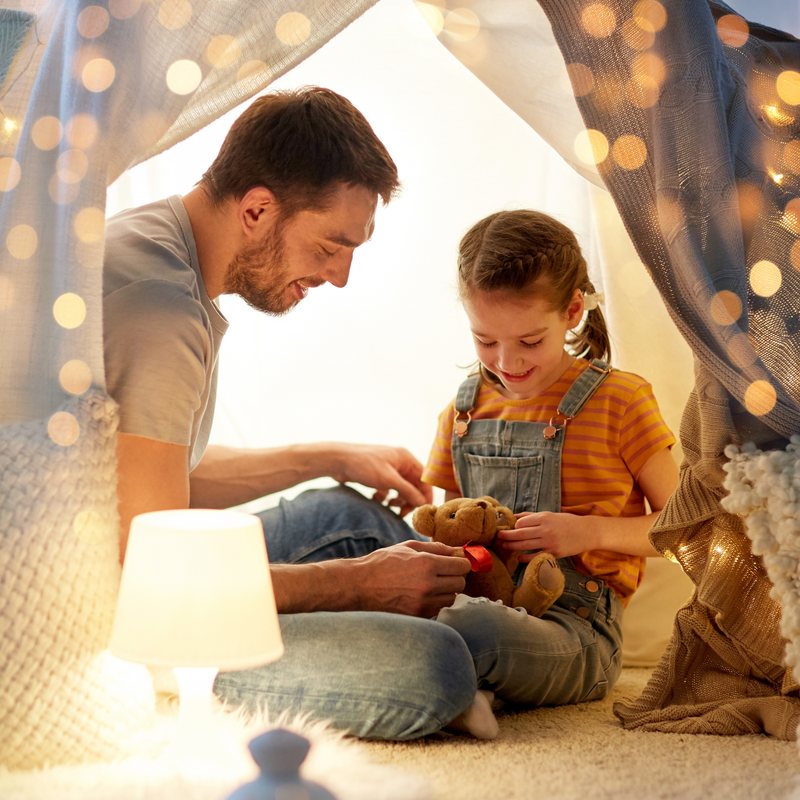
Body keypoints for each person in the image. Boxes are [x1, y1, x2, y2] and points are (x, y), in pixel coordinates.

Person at [103, 86, 477, 739]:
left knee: (346, 513)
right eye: (331, 247)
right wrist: (355, 586)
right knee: (434, 667)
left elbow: (156, 475)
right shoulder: (160, 310)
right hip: (115, 614)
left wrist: (330, 456)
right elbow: (149, 564)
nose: (340, 277)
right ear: (257, 209)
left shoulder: (156, 243)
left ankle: (453, 614)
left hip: (136, 561)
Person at [420, 209, 679, 734]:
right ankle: (464, 689)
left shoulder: (621, 400)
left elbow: (684, 527)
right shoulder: (462, 412)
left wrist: (587, 532)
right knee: (416, 613)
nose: (506, 361)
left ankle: (455, 685)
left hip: (579, 629)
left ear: (573, 310)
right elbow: (442, 523)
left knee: (473, 631)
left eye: (529, 341)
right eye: (485, 340)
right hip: (479, 597)